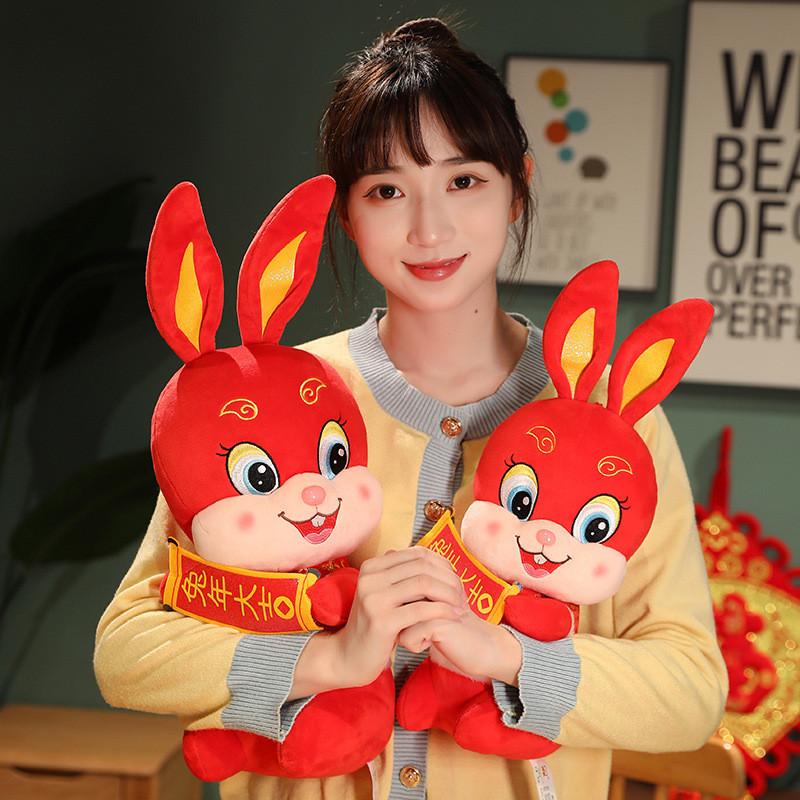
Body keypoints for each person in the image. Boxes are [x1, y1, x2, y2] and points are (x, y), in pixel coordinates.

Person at [94, 17, 727, 800]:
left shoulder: (609, 421)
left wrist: (508, 656)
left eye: (464, 181)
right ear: (346, 213)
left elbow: (691, 691)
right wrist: (325, 658)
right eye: (387, 190)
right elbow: (128, 650)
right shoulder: (267, 395)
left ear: (518, 188)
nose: (429, 229)